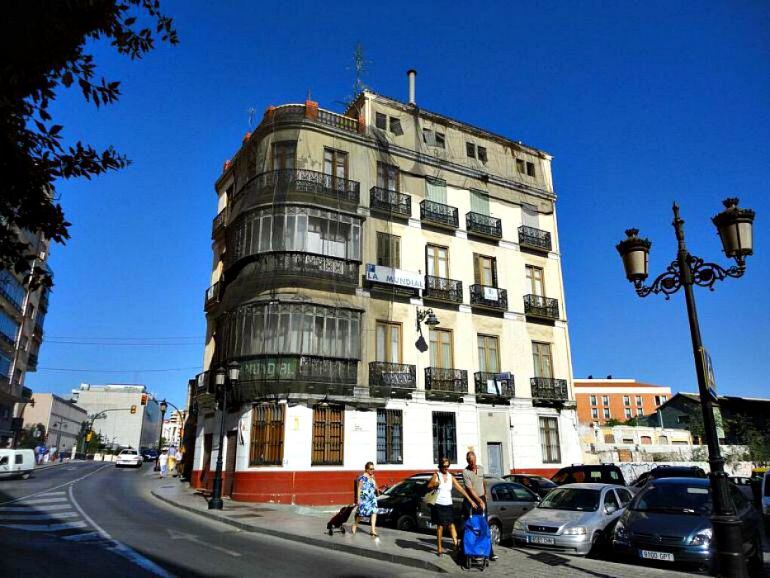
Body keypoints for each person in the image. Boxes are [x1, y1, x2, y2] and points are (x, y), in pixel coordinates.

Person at [428, 457, 481, 557]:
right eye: (444, 466)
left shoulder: (450, 477)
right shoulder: (436, 475)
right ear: (440, 466)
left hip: (448, 504)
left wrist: (470, 500)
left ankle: (456, 545)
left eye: (448, 466)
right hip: (439, 504)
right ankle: (439, 548)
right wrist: (435, 484)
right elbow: (429, 486)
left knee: (451, 525)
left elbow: (461, 489)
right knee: (440, 527)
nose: (446, 468)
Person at [462, 451, 497, 561]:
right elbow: (470, 489)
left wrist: (485, 495)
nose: (473, 463)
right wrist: (478, 501)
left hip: (481, 498)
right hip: (472, 501)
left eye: (474, 461)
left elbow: (482, 482)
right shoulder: (465, 472)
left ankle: (489, 552)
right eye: (470, 462)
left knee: (484, 525)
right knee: (472, 526)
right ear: (468, 461)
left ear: (476, 459)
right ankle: (472, 552)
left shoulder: (481, 468)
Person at [351, 461, 380, 537]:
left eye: (373, 469)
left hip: (372, 498)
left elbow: (376, 487)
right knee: (362, 514)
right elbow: (359, 488)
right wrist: (358, 500)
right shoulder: (362, 478)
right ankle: (355, 524)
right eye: (371, 469)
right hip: (364, 498)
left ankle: (373, 530)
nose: (372, 470)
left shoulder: (372, 477)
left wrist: (374, 479)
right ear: (366, 469)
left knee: (374, 512)